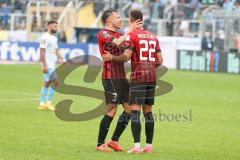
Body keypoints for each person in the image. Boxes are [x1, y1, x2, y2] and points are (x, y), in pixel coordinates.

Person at [102, 9, 163, 154]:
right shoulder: (153, 37)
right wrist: (149, 67)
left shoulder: (132, 36)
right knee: (148, 112)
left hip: (138, 77)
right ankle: (148, 146)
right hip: (152, 77)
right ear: (142, 20)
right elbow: (160, 60)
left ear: (131, 20)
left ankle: (136, 146)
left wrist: (112, 58)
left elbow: (126, 57)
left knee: (135, 111)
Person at [96, 9, 142, 152]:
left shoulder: (122, 34)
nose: (121, 20)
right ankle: (100, 144)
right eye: (118, 17)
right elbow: (115, 43)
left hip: (121, 78)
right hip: (109, 77)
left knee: (130, 109)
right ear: (109, 20)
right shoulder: (103, 33)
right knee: (112, 110)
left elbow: (126, 54)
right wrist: (129, 31)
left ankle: (114, 140)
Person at [39, 20, 65, 111]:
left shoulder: (54, 38)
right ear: (49, 26)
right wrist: (44, 65)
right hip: (47, 64)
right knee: (55, 82)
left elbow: (56, 50)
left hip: (52, 64)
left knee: (47, 83)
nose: (56, 28)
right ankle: (48, 102)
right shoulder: (44, 37)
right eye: (55, 26)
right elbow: (41, 52)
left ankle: (42, 103)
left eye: (57, 27)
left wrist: (62, 59)